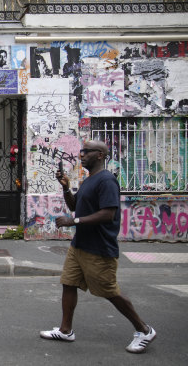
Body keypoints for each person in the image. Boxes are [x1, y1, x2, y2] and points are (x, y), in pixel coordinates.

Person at [40, 140, 156, 353]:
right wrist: (66, 188)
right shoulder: (89, 180)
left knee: (109, 291)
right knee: (69, 283)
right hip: (80, 245)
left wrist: (73, 222)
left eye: (86, 152)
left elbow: (107, 214)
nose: (81, 155)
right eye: (81, 151)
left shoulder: (106, 180)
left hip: (99, 248)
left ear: (100, 155)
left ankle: (144, 329)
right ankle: (66, 330)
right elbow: (75, 206)